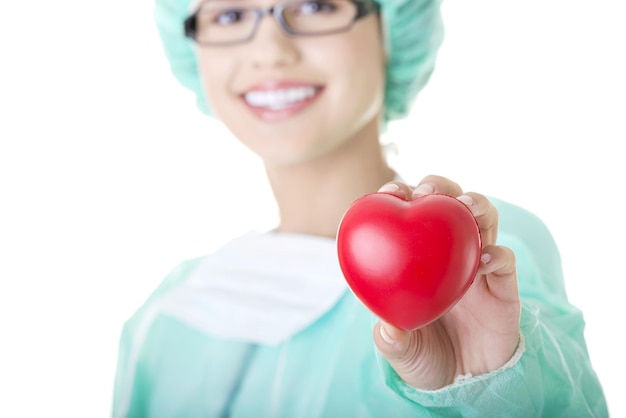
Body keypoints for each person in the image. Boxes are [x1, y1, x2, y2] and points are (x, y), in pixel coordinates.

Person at [112, 0, 608, 416]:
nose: (268, 51)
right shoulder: (163, 318)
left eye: (315, 5)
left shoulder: (477, 258)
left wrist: (483, 388)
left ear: (391, 29)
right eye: (228, 15)